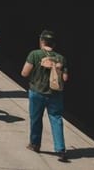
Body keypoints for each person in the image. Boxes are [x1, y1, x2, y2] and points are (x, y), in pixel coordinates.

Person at [21, 30, 68, 161]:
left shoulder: (34, 54)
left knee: (36, 118)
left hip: (37, 92)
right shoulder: (61, 58)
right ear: (54, 43)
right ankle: (60, 149)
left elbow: (24, 73)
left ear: (41, 41)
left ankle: (35, 144)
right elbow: (65, 78)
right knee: (56, 119)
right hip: (56, 94)